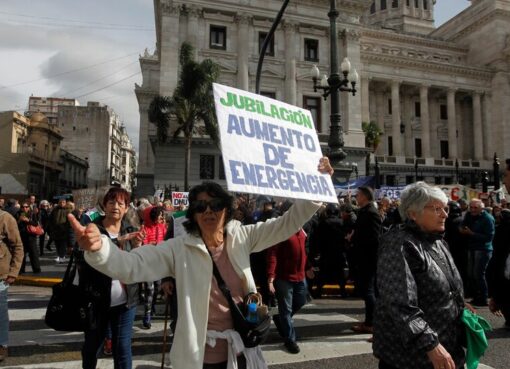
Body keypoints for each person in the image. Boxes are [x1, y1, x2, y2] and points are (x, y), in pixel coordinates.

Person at [70, 157, 333, 369]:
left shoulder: (242, 236)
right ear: (192, 215)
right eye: (200, 206)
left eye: (215, 204)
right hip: (199, 358)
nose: (208, 211)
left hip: (241, 351)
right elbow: (131, 265)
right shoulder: (179, 249)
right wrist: (99, 248)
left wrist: (318, 185)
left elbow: (287, 223)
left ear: (226, 209)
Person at [374, 182, 471, 369]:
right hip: (412, 358)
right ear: (413, 213)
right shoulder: (399, 244)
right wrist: (431, 344)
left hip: (446, 348)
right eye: (436, 209)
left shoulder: (437, 240)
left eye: (445, 208)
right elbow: (399, 302)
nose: (444, 214)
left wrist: (459, 304)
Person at [74, 187, 143, 369]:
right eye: (111, 202)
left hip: (125, 301)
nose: (116, 206)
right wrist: (117, 242)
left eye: (121, 203)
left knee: (122, 348)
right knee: (92, 347)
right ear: (104, 205)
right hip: (96, 301)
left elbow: (136, 266)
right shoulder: (93, 229)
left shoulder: (131, 229)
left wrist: (137, 247)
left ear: (127, 208)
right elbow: (80, 257)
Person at [266, 204, 314, 354]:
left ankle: (281, 320)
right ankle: (289, 339)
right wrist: (271, 277)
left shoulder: (302, 230)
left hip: (300, 276)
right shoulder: (282, 231)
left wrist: (308, 267)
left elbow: (303, 252)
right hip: (284, 278)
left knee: (300, 301)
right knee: (286, 309)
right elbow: (272, 254)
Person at [349, 186, 381, 338]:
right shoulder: (364, 211)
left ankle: (373, 324)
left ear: (366, 196)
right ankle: (369, 322)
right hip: (363, 257)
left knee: (368, 292)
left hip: (369, 258)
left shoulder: (371, 213)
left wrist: (355, 239)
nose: (356, 196)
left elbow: (375, 238)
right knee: (367, 291)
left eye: (359, 194)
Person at [460, 199, 495, 306]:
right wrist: (461, 229)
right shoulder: (469, 215)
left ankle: (483, 298)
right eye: (471, 207)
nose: (473, 210)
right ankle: (476, 297)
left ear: (481, 208)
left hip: (483, 249)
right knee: (471, 274)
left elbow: (489, 237)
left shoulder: (488, 218)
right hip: (472, 248)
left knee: (478, 274)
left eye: (475, 208)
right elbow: (462, 224)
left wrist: (472, 233)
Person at [0, 209, 24, 362]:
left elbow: (18, 247)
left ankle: (2, 345)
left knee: (0, 313)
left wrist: (13, 272)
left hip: (0, 275)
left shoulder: (5, 218)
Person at [16, 201, 41, 274]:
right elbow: (15, 225)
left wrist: (28, 220)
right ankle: (21, 270)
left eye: (26, 207)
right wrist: (19, 220)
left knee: (33, 253)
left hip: (31, 237)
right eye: (23, 207)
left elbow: (36, 224)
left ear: (29, 208)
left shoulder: (32, 214)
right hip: (21, 237)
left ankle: (36, 269)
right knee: (21, 254)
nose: (24, 208)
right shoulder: (18, 214)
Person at [47, 197, 71, 263]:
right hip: (55, 231)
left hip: (64, 231)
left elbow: (69, 221)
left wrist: (66, 227)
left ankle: (61, 256)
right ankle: (59, 256)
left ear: (65, 203)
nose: (62, 204)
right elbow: (50, 219)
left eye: (63, 202)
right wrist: (51, 228)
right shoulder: (55, 210)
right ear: (58, 203)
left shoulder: (68, 210)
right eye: (60, 202)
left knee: (63, 245)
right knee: (57, 244)